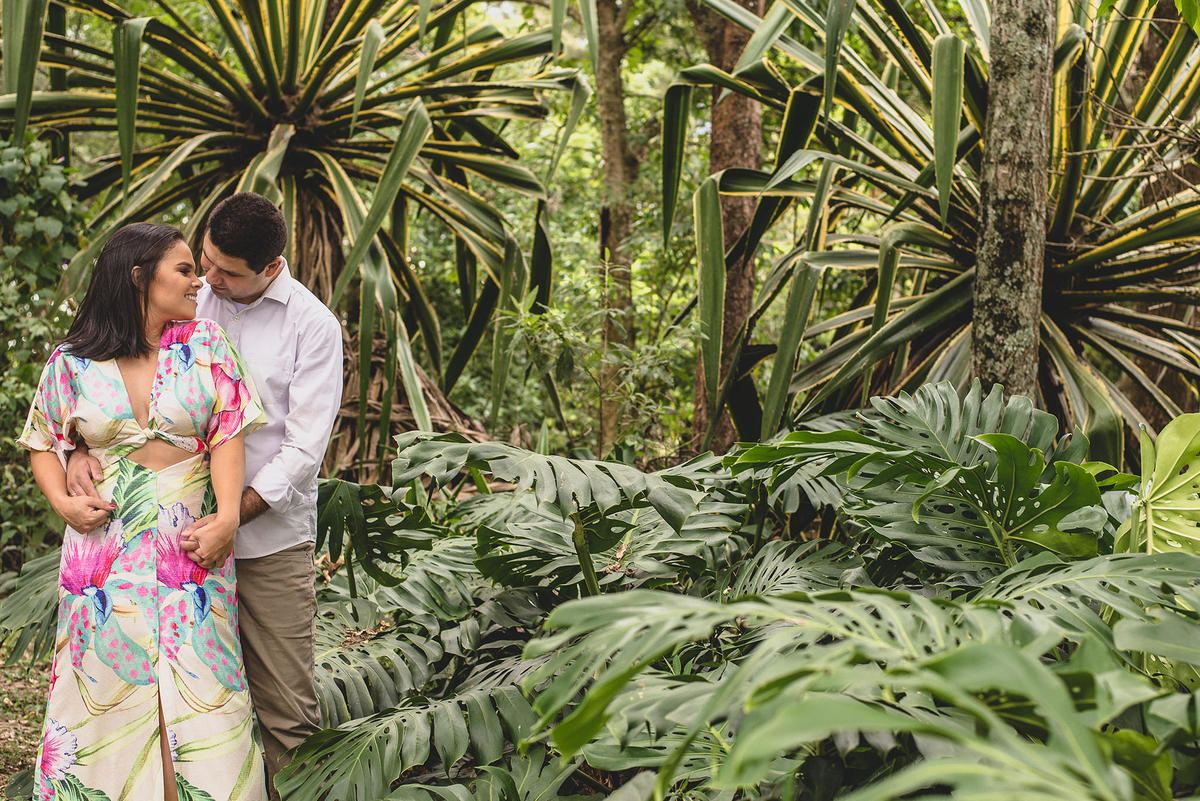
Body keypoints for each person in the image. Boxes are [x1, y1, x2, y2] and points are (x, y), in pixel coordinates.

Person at [67, 193, 344, 799]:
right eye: (205, 262)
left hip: (267, 538)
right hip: (162, 546)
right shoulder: (183, 296)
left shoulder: (313, 325)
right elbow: (107, 379)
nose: (211, 279)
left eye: (226, 272)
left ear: (271, 267)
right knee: (168, 697)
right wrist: (79, 451)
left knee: (285, 711)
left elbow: (303, 449)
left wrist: (226, 516)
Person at [21, 223, 267, 801]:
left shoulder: (204, 343)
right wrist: (63, 501)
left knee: (204, 691)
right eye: (184, 270)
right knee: (103, 691)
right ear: (139, 277)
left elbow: (228, 432)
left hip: (192, 547)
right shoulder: (71, 361)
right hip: (103, 552)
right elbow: (41, 440)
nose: (198, 280)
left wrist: (228, 516)